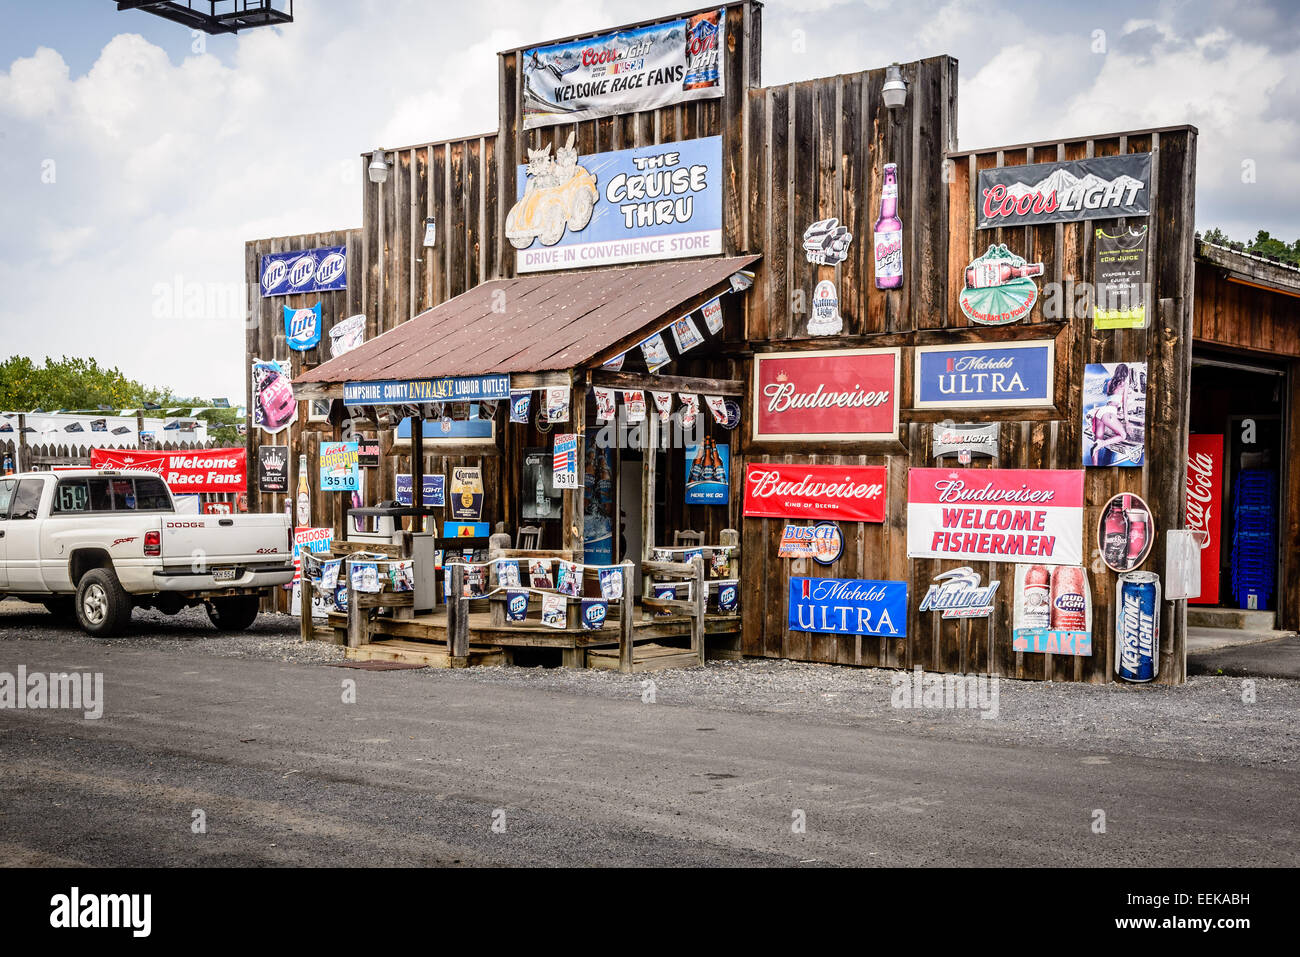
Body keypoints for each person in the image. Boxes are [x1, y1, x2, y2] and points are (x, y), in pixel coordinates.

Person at [1086, 363, 1136, 466]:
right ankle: (1102, 444)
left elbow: (1111, 398)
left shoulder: (1110, 383)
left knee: (1096, 442)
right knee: (1123, 435)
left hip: (1100, 412)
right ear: (1126, 374)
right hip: (1109, 413)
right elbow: (1125, 405)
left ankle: (1094, 466)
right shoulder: (1124, 385)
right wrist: (1126, 422)